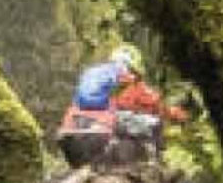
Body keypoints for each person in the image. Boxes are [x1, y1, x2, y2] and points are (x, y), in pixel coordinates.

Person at [55, 44, 189, 169]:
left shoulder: (93, 73)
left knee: (124, 125)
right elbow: (155, 104)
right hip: (99, 136)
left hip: (68, 137)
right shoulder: (127, 77)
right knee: (153, 125)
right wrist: (177, 115)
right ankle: (157, 168)